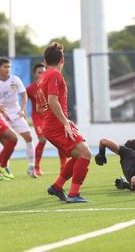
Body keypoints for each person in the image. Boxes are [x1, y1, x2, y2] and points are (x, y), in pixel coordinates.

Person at [37, 42, 92, 203]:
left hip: (52, 124)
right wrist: (65, 123)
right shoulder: (54, 75)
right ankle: (74, 194)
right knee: (86, 154)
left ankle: (57, 186)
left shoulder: (43, 77)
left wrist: (65, 120)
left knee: (78, 156)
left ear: (45, 61)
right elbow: (52, 101)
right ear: (62, 60)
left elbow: (41, 107)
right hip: (56, 124)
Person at [0, 57, 37, 178]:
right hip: (2, 114)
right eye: (5, 67)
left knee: (29, 137)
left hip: (16, 112)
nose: (7, 69)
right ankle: (5, 168)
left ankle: (31, 167)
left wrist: (23, 109)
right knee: (8, 143)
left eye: (9, 66)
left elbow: (24, 95)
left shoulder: (15, 79)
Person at [26, 62, 67, 175]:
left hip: (50, 116)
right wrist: (22, 111)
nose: (41, 74)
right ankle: (36, 167)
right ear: (34, 74)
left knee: (60, 140)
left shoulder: (50, 84)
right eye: (39, 72)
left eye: (43, 72)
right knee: (43, 140)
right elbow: (24, 99)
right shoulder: (30, 88)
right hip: (38, 118)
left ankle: (63, 166)